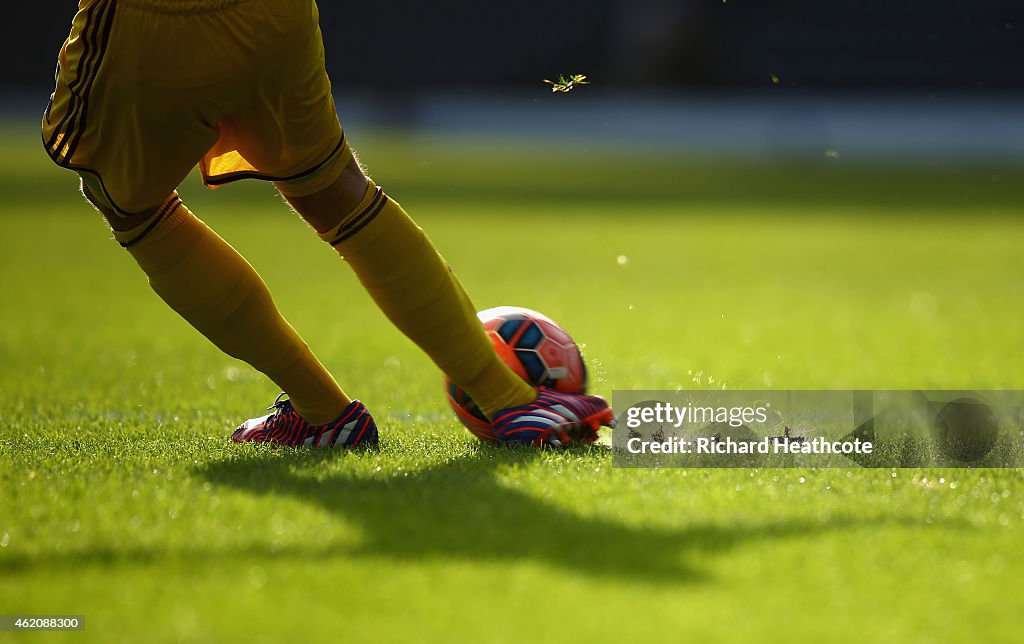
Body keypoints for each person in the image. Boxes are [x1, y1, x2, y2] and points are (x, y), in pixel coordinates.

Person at [43, 0, 613, 448]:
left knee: (127, 203)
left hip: (157, 20)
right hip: (277, 13)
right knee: (333, 191)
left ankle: (323, 414)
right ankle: (506, 396)